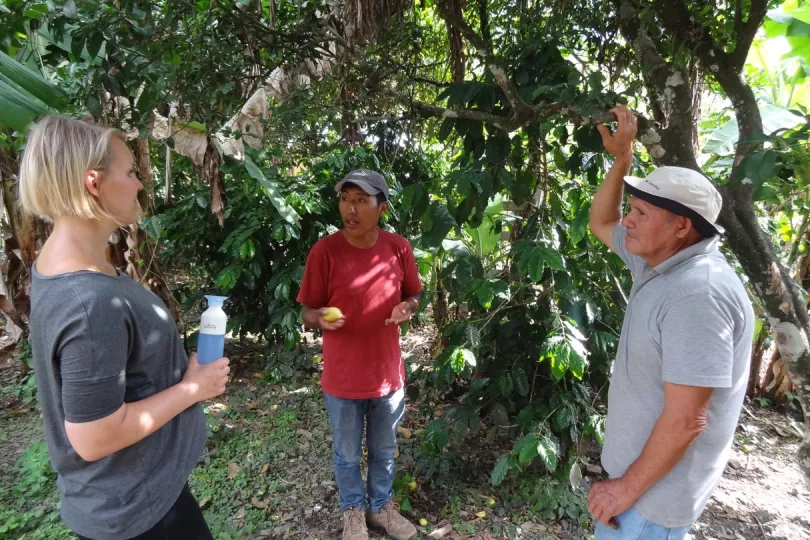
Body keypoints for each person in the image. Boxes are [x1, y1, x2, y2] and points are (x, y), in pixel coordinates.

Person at [19, 116, 230, 540]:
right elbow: (95, 437)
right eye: (131, 172)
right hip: (139, 514)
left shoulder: (60, 265)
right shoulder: (89, 300)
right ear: (93, 183)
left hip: (138, 496)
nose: (139, 184)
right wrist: (195, 388)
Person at [586, 104, 755, 539]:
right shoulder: (658, 262)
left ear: (681, 227)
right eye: (634, 207)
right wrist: (622, 161)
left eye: (641, 212)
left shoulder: (697, 294)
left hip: (649, 505)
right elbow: (602, 220)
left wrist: (624, 489)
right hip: (640, 493)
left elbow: (687, 420)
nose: (629, 219)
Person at [297, 170, 422, 540]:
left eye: (361, 200)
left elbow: (414, 294)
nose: (350, 208)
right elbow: (306, 310)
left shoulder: (399, 248)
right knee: (347, 454)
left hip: (387, 377)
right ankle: (352, 512)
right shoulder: (325, 251)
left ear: (381, 208)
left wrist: (408, 307)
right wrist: (317, 317)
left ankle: (381, 507)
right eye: (346, 199)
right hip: (343, 378)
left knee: (384, 450)